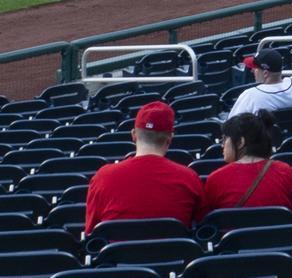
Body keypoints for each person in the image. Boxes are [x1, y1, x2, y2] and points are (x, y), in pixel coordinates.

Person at [85, 101, 203, 235]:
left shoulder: (102, 177)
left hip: (119, 256)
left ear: (133, 135)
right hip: (174, 255)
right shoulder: (189, 178)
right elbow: (202, 229)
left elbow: (91, 234)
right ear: (170, 139)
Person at [200, 113, 292, 217]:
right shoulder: (285, 171)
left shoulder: (216, 179)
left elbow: (208, 223)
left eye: (224, 139)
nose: (221, 145)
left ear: (240, 142)